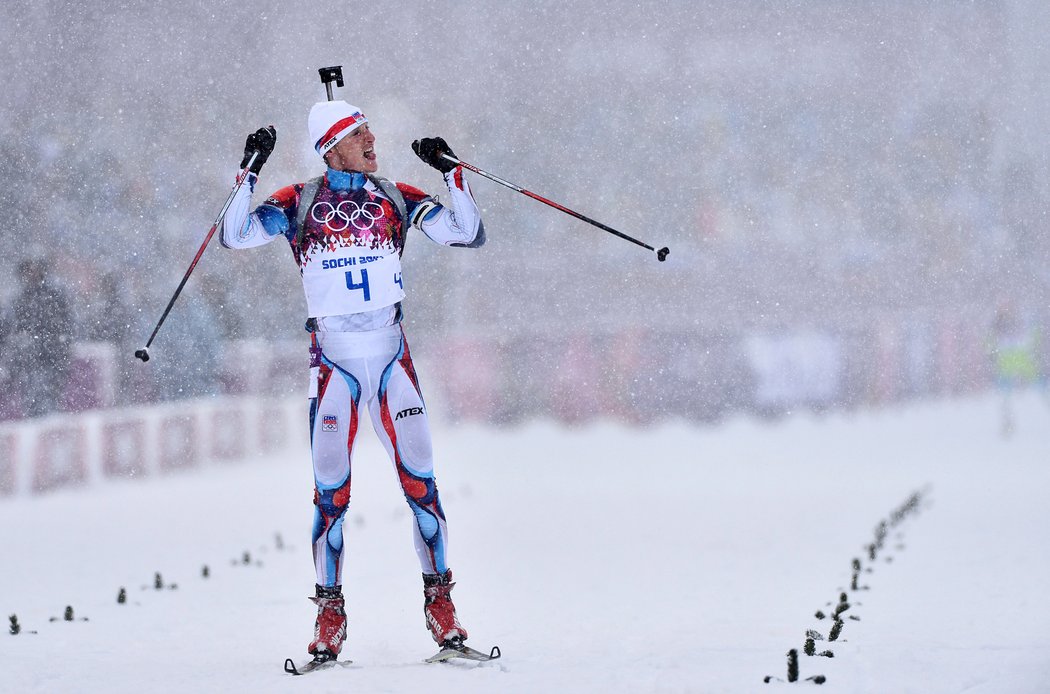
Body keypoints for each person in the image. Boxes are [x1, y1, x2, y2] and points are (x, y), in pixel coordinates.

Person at [219, 99, 485, 663]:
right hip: (334, 365)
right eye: (358, 133)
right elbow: (235, 235)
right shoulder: (298, 201)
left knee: (421, 486)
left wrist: (452, 172)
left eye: (369, 129)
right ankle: (329, 614)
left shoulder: (392, 194)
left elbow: (467, 233)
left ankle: (443, 610)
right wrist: (249, 170)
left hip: (391, 360)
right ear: (331, 144)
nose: (372, 139)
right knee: (331, 495)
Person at [6, 258, 74, 418]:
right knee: (31, 397)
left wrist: (61, 349)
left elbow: (67, 325)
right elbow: (14, 329)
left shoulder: (55, 296)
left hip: (52, 356)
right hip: (29, 358)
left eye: (35, 270)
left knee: (48, 396)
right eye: (28, 270)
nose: (31, 274)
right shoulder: (19, 300)